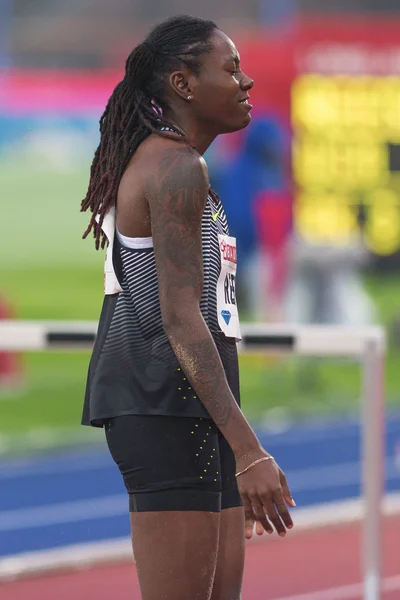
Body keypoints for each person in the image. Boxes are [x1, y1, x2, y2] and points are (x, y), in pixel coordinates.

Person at [81, 15, 295, 600]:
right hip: (163, 406)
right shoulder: (175, 167)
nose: (246, 82)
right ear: (183, 83)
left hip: (190, 405)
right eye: (230, 70)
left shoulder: (180, 164)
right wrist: (249, 449)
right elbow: (179, 318)